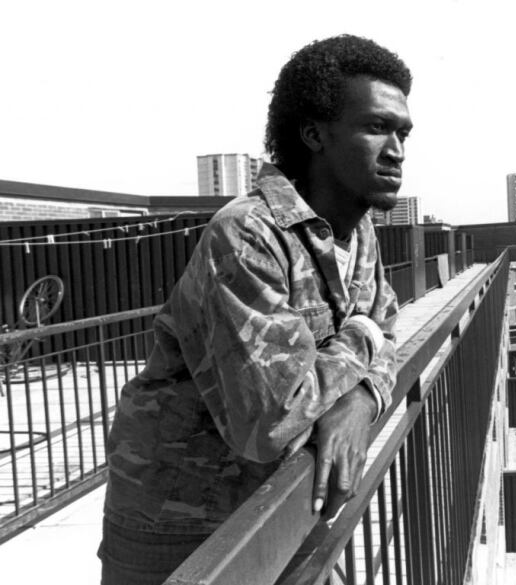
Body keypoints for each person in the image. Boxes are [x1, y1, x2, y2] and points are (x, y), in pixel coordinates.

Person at [99, 34, 413, 585]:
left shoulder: (359, 231)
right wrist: (362, 338)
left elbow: (387, 329)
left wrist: (363, 398)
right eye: (376, 127)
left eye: (403, 132)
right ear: (313, 133)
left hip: (283, 500)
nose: (397, 150)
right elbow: (272, 420)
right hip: (180, 526)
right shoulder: (248, 234)